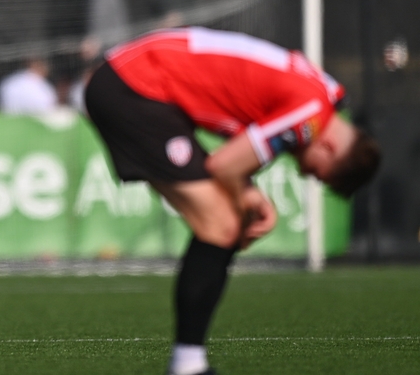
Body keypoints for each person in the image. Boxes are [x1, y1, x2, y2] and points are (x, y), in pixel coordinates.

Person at [83, 27, 380, 375]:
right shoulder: (310, 115)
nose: (304, 173)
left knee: (225, 222)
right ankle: (188, 366)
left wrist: (247, 191)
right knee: (222, 223)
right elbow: (224, 165)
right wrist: (246, 193)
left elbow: (233, 161)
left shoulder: (324, 94)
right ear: (329, 149)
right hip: (134, 87)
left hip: (137, 80)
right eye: (317, 172)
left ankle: (189, 363)